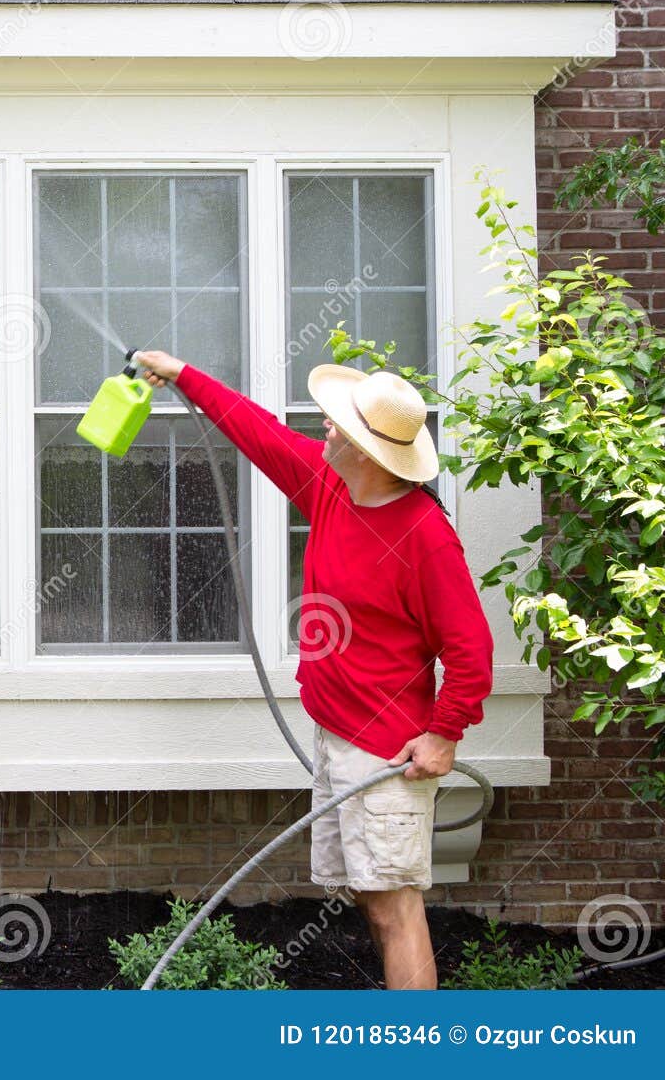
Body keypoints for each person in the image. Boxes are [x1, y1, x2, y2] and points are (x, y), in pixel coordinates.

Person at [133, 350, 493, 991]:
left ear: (363, 447)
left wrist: (444, 734)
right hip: (338, 734)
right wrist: (182, 372)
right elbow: (257, 429)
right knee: (369, 897)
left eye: (336, 423)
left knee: (395, 908)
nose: (324, 427)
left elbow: (471, 648)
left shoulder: (424, 536)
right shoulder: (331, 487)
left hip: (388, 750)